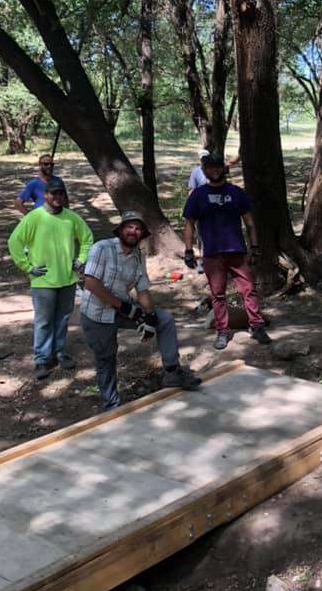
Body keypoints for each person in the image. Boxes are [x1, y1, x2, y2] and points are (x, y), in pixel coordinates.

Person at [80, 212, 202, 410]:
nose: (133, 231)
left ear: (142, 234)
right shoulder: (101, 248)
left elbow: (142, 289)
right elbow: (91, 283)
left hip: (123, 309)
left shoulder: (138, 257)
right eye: (129, 227)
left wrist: (151, 317)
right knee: (106, 360)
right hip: (96, 315)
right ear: (121, 229)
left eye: (138, 228)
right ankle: (111, 406)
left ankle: (172, 372)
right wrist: (127, 309)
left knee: (165, 320)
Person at [182, 152, 271, 350]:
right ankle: (222, 330)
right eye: (210, 167)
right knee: (218, 293)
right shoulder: (198, 195)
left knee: (248, 289)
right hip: (212, 253)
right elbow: (189, 223)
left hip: (237, 251)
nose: (214, 170)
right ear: (204, 171)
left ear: (223, 168)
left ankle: (256, 326)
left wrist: (254, 247)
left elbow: (249, 222)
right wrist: (188, 250)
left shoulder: (237, 193)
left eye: (218, 166)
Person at [8, 178, 94, 380]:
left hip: (67, 279)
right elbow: (14, 242)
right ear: (45, 195)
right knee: (44, 321)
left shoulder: (71, 218)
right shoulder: (34, 217)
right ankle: (41, 359)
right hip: (43, 281)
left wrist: (81, 260)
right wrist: (27, 266)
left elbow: (87, 238)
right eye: (53, 194)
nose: (57, 197)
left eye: (60, 194)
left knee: (63, 319)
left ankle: (59, 353)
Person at [187, 149, 210, 273]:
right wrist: (190, 207)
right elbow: (191, 190)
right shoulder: (196, 172)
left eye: (206, 157)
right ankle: (202, 262)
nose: (204, 160)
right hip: (200, 209)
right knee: (201, 236)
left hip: (214, 209)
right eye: (202, 158)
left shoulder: (214, 169)